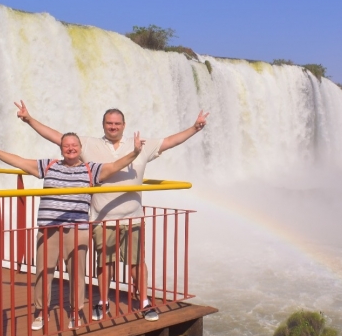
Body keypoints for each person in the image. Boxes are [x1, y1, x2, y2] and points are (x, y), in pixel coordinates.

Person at [14, 100, 209, 322]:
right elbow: (56, 136)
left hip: (132, 217)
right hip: (101, 218)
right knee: (104, 263)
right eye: (109, 123)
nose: (113, 127)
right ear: (104, 125)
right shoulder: (88, 144)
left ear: (124, 125)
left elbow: (171, 141)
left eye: (117, 123)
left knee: (136, 262)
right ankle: (103, 302)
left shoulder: (141, 144)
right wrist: (29, 120)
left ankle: (144, 302)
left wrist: (195, 128)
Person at [0, 131, 142, 331]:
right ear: (61, 148)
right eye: (66, 145)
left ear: (81, 149)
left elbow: (114, 166)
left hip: (77, 230)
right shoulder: (48, 165)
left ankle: (75, 311)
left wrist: (135, 152)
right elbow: (20, 161)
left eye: (74, 145)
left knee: (76, 273)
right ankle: (40, 311)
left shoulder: (91, 169)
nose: (71, 148)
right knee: (43, 272)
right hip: (48, 229)